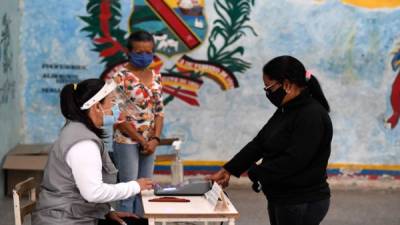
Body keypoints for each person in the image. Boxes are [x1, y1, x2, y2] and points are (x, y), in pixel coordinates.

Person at [208, 56, 333, 225]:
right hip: (282, 197)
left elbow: (295, 159)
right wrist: (229, 168)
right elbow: (260, 142)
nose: (267, 92)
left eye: (268, 87)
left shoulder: (311, 115)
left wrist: (258, 173)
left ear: (287, 85)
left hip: (302, 200)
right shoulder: (287, 110)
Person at [32, 79, 153, 225]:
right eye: (112, 103)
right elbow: (93, 192)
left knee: (139, 222)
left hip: (73, 215)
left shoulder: (76, 130)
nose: (116, 109)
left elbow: (82, 187)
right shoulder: (84, 143)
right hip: (67, 221)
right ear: (97, 107)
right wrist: (135, 186)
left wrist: (106, 212)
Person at [104, 30, 164, 215]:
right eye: (139, 52)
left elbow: (159, 112)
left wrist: (155, 139)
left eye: (149, 52)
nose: (145, 56)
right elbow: (117, 117)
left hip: (150, 142)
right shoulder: (119, 78)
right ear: (128, 52)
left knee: (145, 190)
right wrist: (141, 140)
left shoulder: (156, 76)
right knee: (129, 190)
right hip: (127, 141)